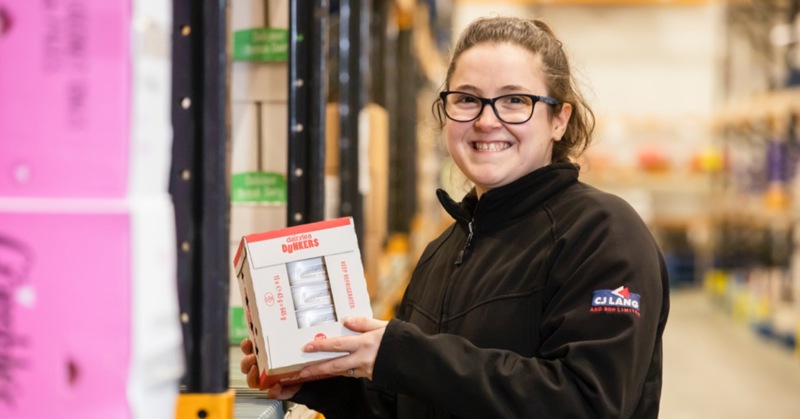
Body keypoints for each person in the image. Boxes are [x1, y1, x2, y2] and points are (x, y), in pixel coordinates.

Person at [240, 15, 670, 418]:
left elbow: (586, 403)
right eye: (467, 99)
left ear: (559, 119)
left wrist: (402, 354)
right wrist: (317, 378)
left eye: (515, 100)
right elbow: (412, 402)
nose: (486, 121)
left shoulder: (604, 234)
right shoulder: (443, 251)